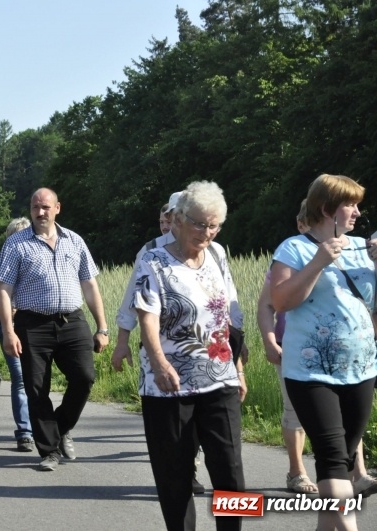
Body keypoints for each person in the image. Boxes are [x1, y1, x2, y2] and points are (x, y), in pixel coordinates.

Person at [134, 181, 246, 531]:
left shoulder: (217, 254)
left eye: (214, 225)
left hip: (220, 377)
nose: (207, 232)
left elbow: (228, 317)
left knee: (230, 471)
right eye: (200, 224)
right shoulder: (153, 259)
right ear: (178, 219)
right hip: (170, 385)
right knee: (175, 477)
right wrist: (159, 361)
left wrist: (238, 367)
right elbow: (147, 315)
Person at [271, 174, 377, 531]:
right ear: (328, 208)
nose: (358, 213)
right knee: (332, 456)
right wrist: (318, 262)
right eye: (352, 205)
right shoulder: (293, 249)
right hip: (310, 372)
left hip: (361, 369)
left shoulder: (364, 247)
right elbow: (281, 301)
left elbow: (372, 309)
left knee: (344, 458)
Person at [0, 188, 109, 471]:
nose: (40, 212)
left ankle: (60, 427)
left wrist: (102, 327)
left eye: (46, 207)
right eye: (35, 207)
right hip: (32, 324)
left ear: (58, 208)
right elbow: (4, 291)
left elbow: (90, 286)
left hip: (72, 320)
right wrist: (8, 331)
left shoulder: (75, 241)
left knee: (84, 377)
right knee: (36, 387)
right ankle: (49, 451)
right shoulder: (16, 244)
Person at [257, 200, 318, 494]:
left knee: (345, 410)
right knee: (294, 410)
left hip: (330, 348)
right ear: (301, 225)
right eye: (308, 224)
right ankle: (297, 473)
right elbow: (266, 305)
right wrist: (269, 340)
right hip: (291, 345)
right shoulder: (286, 260)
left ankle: (352, 471)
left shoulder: (344, 256)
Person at [0, 217, 34, 452]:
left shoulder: (37, 261)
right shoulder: (0, 266)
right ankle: (25, 432)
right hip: (9, 329)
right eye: (17, 236)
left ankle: (48, 426)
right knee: (20, 379)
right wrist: (7, 314)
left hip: (36, 328)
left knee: (39, 379)